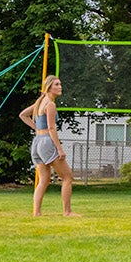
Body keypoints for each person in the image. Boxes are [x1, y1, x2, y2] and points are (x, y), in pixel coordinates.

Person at [17, 74, 78, 217]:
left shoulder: (40, 102)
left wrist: (36, 129)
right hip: (46, 142)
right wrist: (60, 149)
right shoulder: (50, 104)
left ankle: (37, 212)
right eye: (57, 84)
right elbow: (51, 128)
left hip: (37, 142)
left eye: (60, 84)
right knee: (67, 177)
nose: (60, 87)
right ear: (49, 87)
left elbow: (23, 115)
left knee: (43, 180)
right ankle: (67, 212)